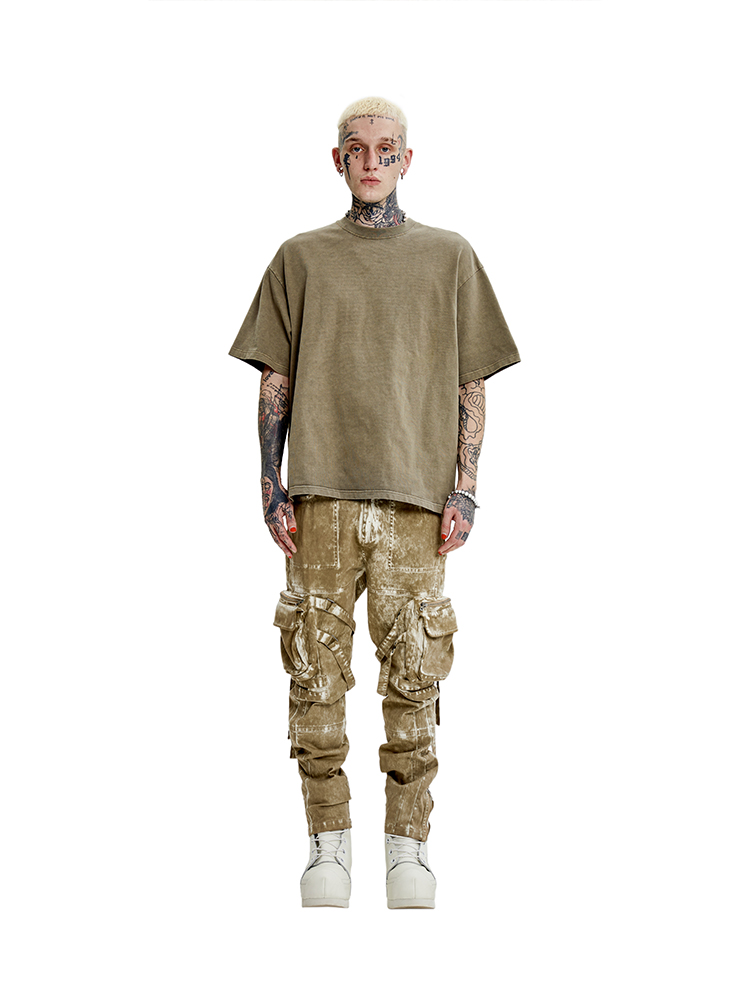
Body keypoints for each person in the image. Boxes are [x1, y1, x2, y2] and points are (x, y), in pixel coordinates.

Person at [229, 96, 520, 908]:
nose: (370, 161)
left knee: (415, 679)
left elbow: (471, 380)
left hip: (415, 499)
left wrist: (465, 487)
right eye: (356, 148)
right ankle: (327, 844)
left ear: (407, 159)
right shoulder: (299, 258)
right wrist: (270, 485)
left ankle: (407, 849)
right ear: (337, 160)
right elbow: (275, 379)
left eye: (385, 148)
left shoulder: (449, 256)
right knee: (314, 676)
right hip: (319, 495)